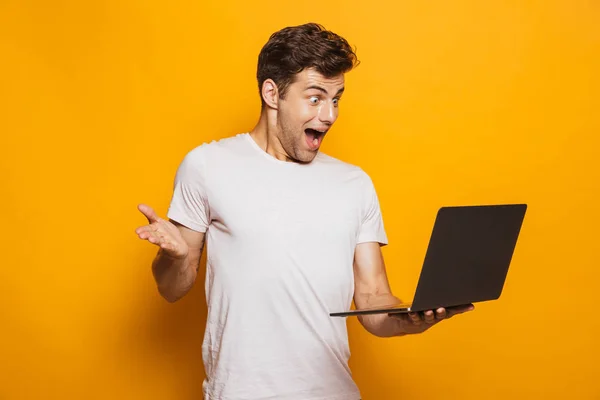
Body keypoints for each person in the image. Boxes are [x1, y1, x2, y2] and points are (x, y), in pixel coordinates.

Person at [135, 22, 473, 400]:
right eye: (315, 98)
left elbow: (374, 302)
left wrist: (412, 317)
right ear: (272, 93)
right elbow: (171, 288)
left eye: (337, 99)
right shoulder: (207, 166)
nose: (329, 115)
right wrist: (174, 256)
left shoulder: (354, 184)